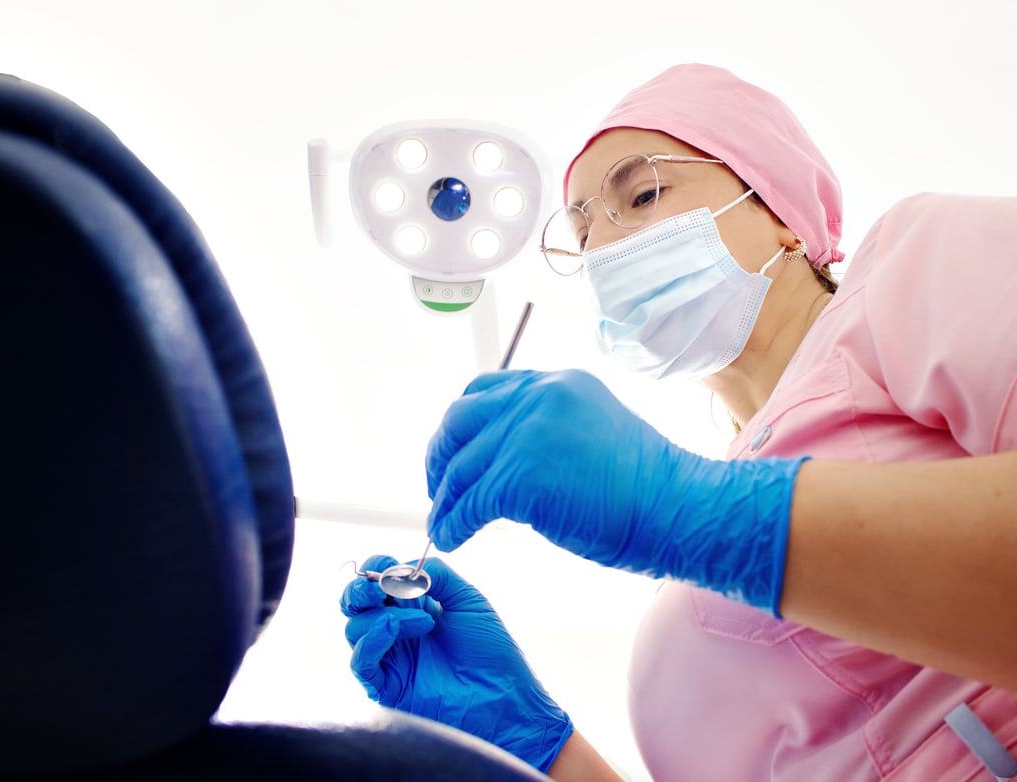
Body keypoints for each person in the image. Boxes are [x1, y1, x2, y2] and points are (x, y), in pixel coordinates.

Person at [341, 64, 1017, 780]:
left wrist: (688, 511)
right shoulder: (682, 579)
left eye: (641, 193)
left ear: (783, 213)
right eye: (582, 231)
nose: (605, 246)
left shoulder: (916, 264)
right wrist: (530, 740)